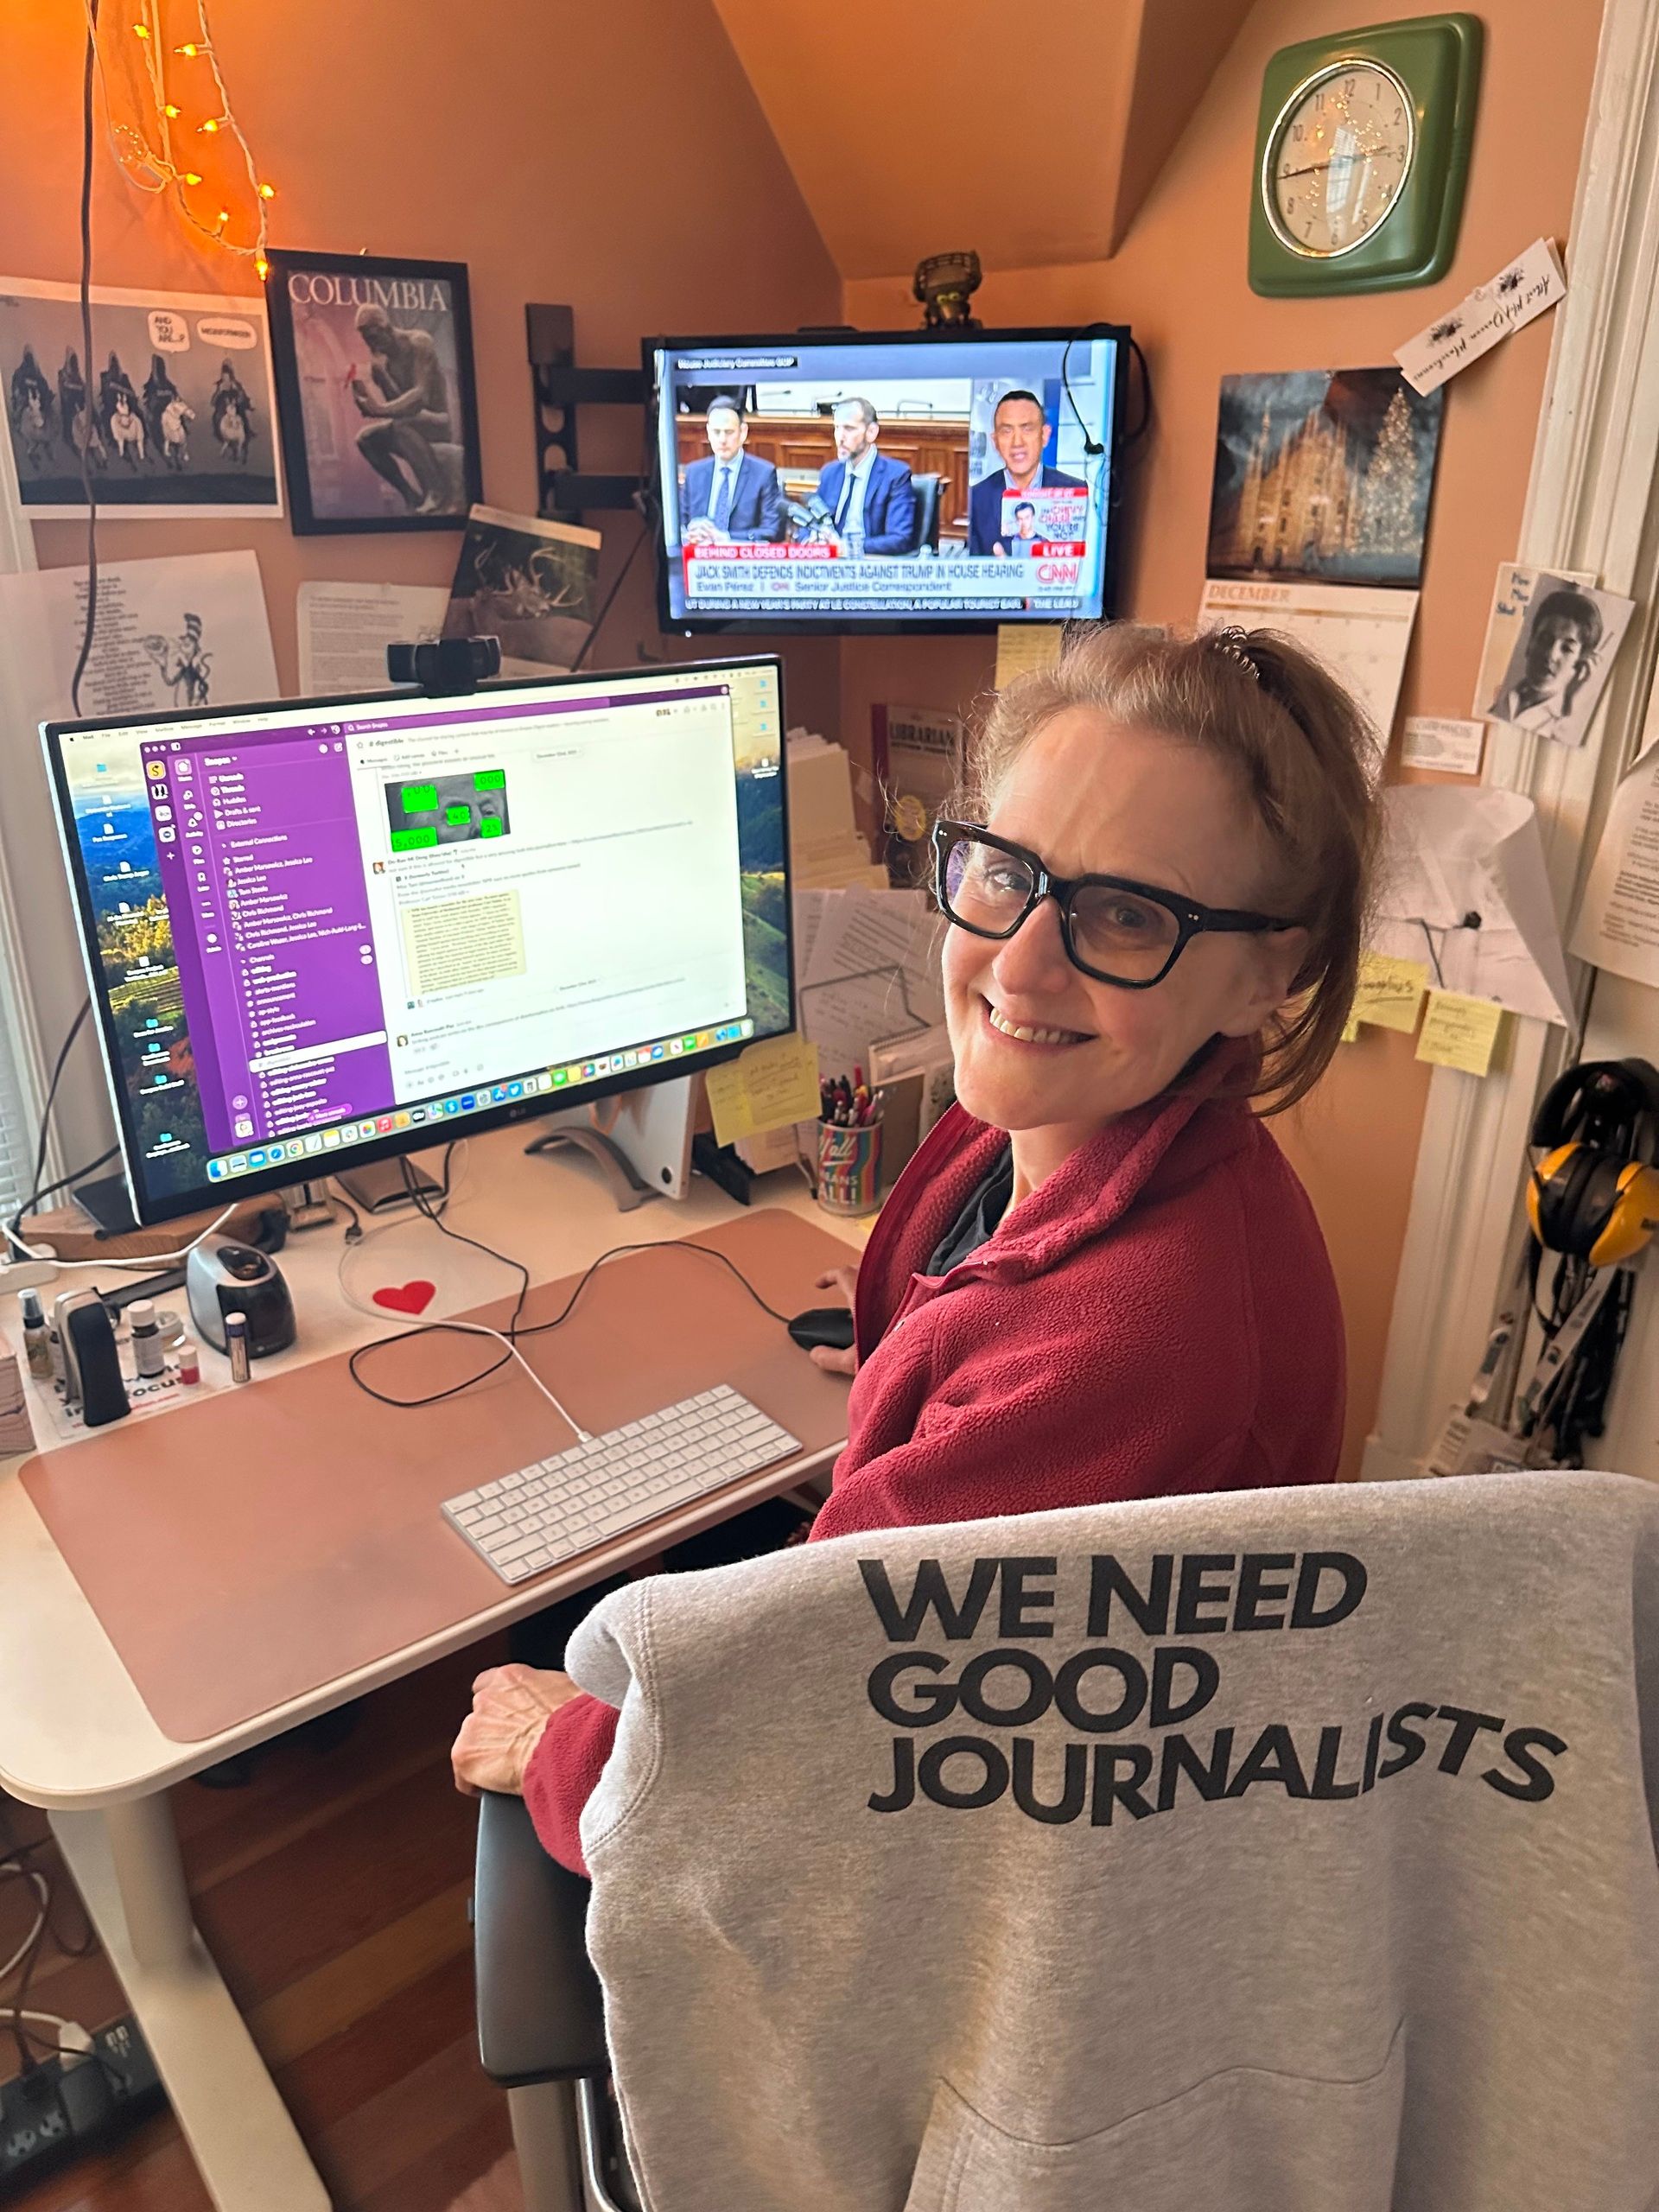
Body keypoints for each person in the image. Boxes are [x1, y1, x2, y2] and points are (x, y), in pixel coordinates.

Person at [453, 621, 1381, 1875]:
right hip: (951, 1741)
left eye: (1124, 916)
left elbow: (775, 1762)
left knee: (567, 1638)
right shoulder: (1067, 1125)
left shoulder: (1135, 1348)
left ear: (1271, 977)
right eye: (1006, 871)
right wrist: (923, 1356)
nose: (1022, 962)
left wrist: (564, 1750)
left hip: (953, 1873)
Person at [349, 304, 456, 515]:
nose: (372, 345)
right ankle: (410, 495)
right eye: (367, 340)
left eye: (373, 338)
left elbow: (419, 396)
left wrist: (379, 410)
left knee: (401, 424)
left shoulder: (419, 342)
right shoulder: (383, 361)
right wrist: (382, 377)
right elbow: (397, 404)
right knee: (365, 439)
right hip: (410, 422)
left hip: (437, 420)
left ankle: (436, 490)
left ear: (386, 328)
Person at [967, 388, 1086, 556]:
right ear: (995, 441)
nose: (1017, 442)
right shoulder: (977, 498)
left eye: (1027, 429)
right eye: (1007, 431)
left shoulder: (1076, 492)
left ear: (1045, 435)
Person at [1492, 588, 1605, 741]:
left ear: (1580, 663)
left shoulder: (1564, 726)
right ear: (1530, 642)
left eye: (1567, 648)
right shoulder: (1500, 693)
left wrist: (1570, 703)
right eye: (1545, 639)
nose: (1551, 655)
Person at [814, 397, 919, 555]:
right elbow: (810, 520)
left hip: (870, 564)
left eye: (849, 429)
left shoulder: (896, 475)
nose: (840, 438)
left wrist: (846, 548)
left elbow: (900, 539)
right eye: (837, 428)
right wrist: (810, 539)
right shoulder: (829, 472)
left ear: (871, 432)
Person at [680, 397, 786, 545]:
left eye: (729, 432)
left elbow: (771, 531)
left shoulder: (764, 474)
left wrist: (725, 538)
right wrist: (691, 532)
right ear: (708, 433)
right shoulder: (694, 473)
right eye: (716, 432)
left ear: (743, 432)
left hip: (742, 562)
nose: (722, 439)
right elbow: (679, 524)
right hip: (699, 558)